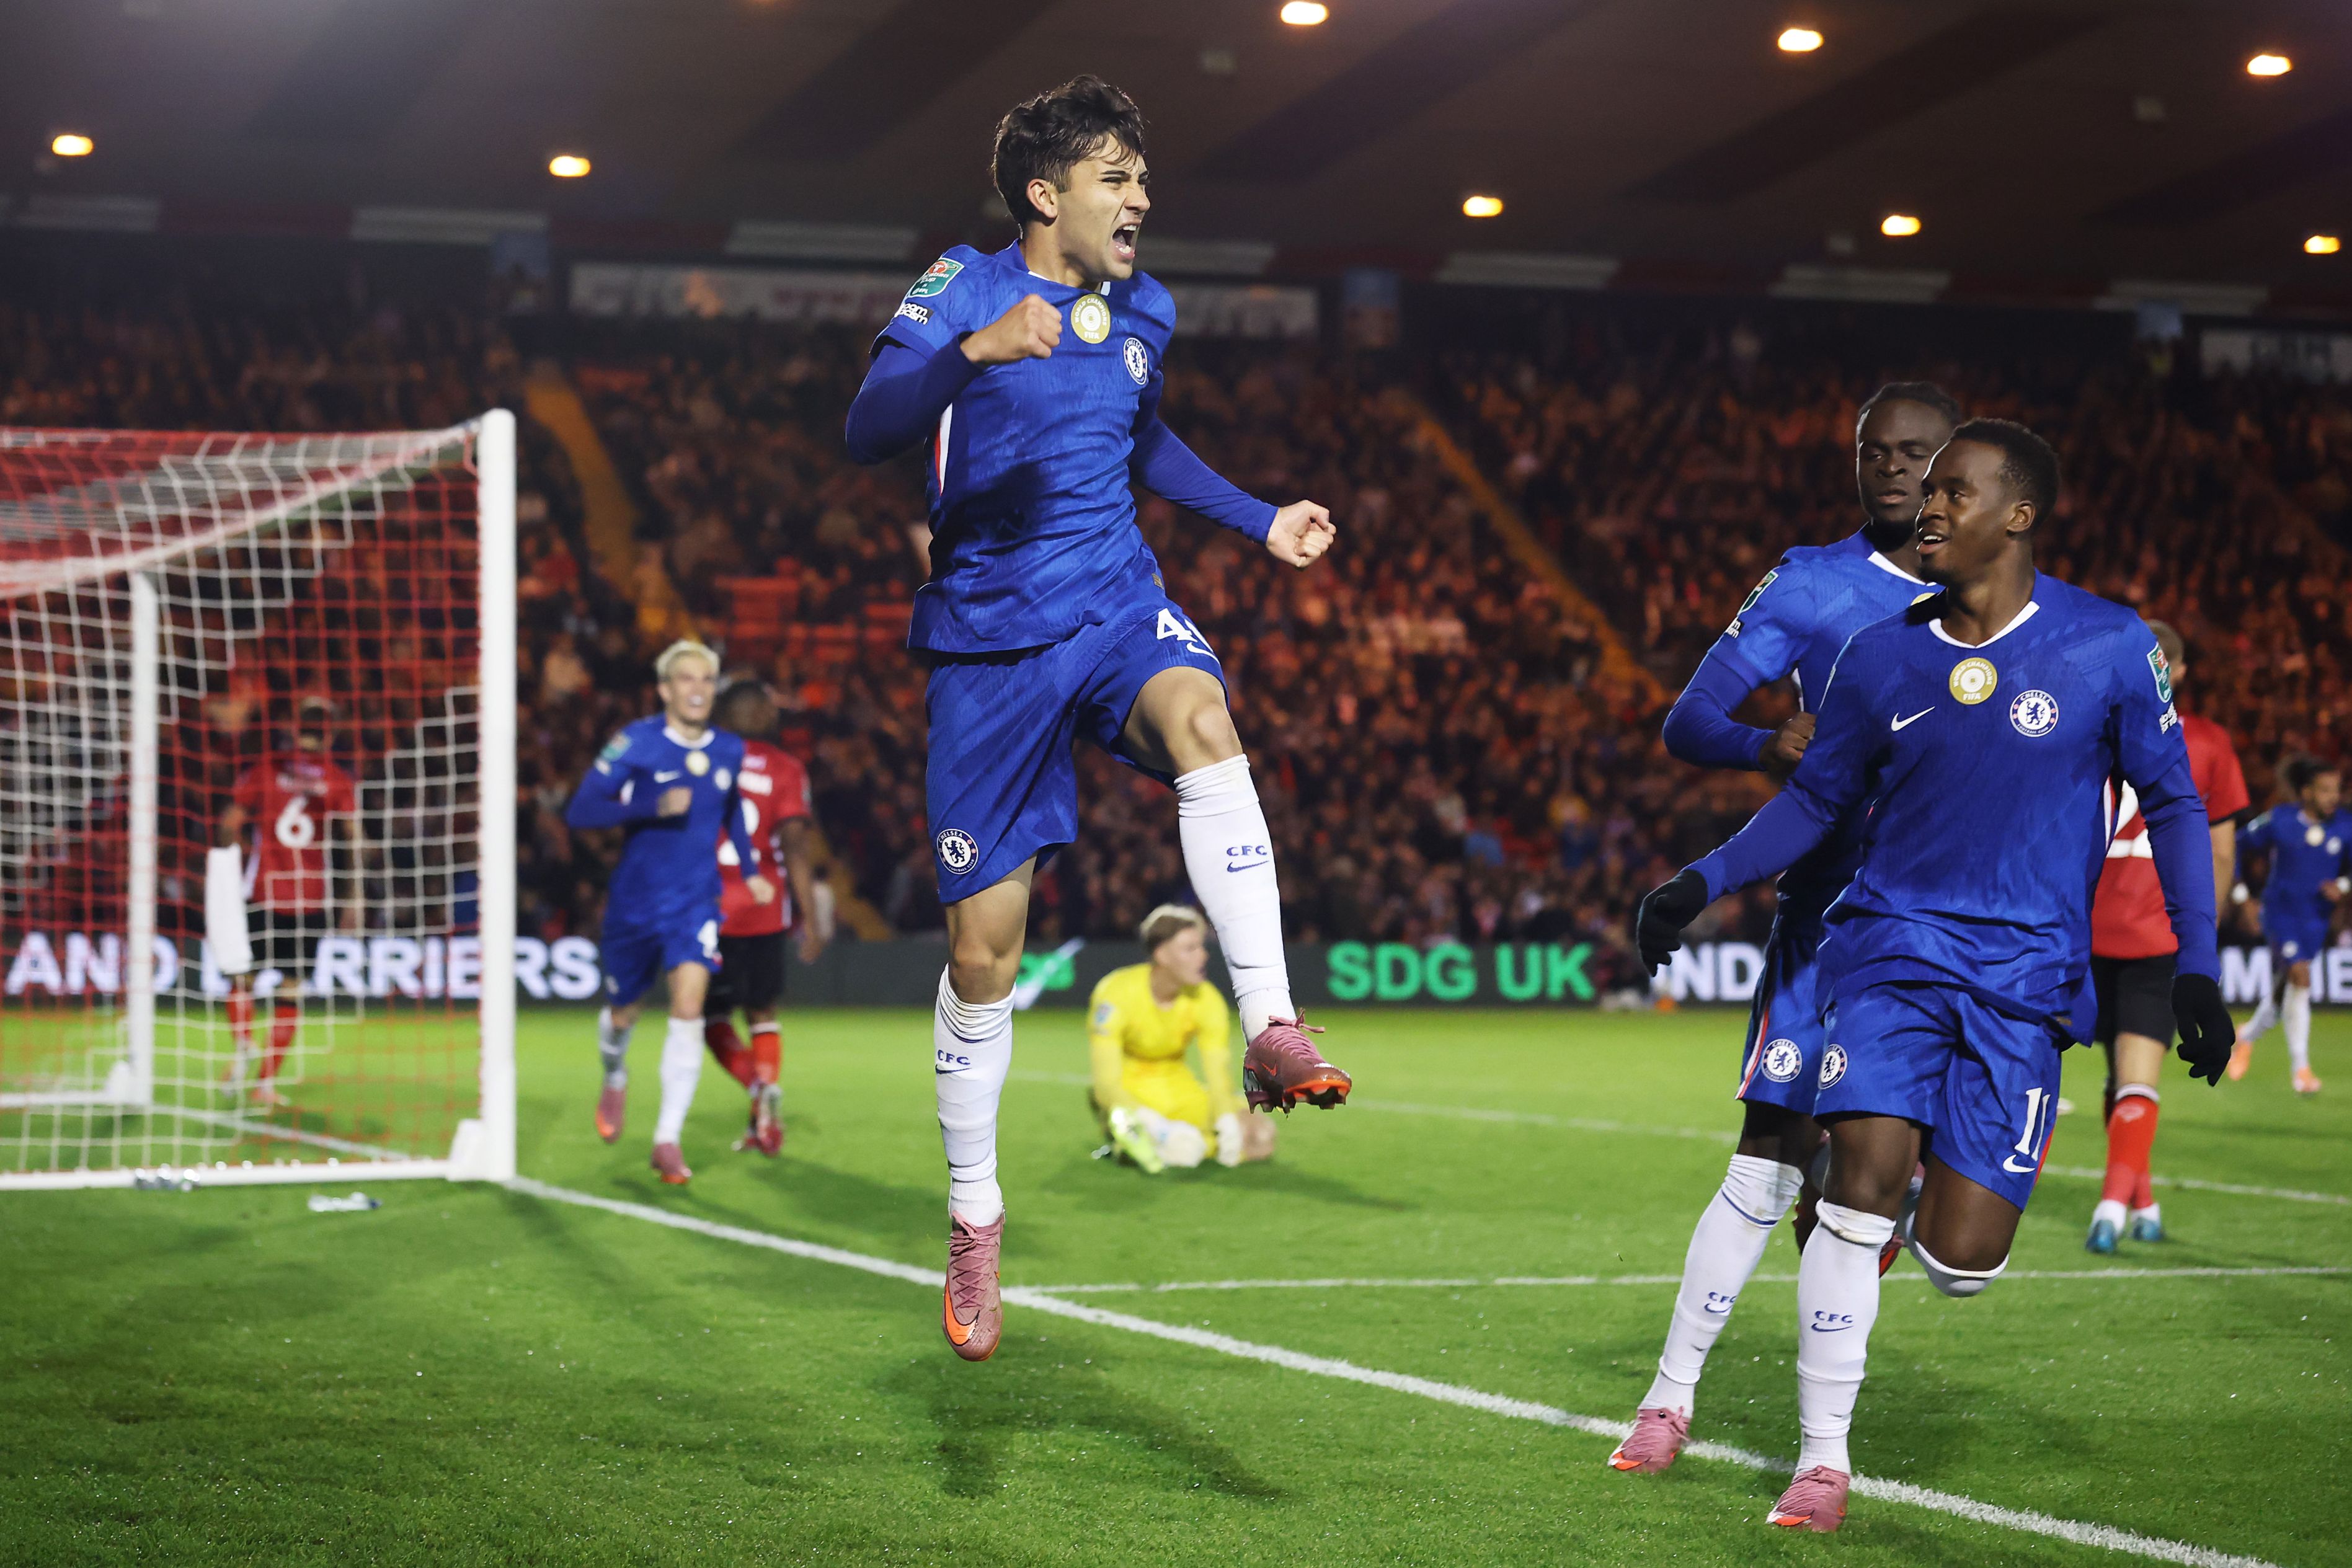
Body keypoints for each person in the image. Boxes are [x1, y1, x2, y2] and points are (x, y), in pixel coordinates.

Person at [1634, 419, 2234, 1532]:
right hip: (1888, 955)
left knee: (1962, 1258)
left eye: (1955, 492)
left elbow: (2176, 801)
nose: (1929, 507)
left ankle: (1915, 1199)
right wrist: (1700, 877)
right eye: (1929, 491)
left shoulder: (2106, 646)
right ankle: (1821, 1460)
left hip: (2024, 984)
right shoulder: (1881, 653)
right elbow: (1816, 800)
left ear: (2017, 514)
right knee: (1850, 1180)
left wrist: (2193, 969)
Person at [843, 76, 1349, 1362]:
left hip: (1117, 603)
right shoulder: (959, 286)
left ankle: (1275, 1023)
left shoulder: (1148, 307)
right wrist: (973, 353)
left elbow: (1145, 437)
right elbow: (865, 428)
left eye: (1141, 174)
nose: (1141, 197)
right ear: (1044, 193)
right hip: (986, 646)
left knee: (1206, 722)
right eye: (1117, 176)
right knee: (985, 959)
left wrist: (1260, 518)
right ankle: (974, 1213)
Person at [1611, 382, 1957, 1475]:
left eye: (1913, 453)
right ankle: (1668, 1400)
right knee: (1766, 1157)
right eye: (1873, 452)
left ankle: (1826, 1422)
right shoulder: (1812, 581)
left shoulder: (2006, 600)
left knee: (1886, 1191)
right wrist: (1766, 743)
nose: (1890, 469)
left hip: (1954, 927)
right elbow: (1688, 718)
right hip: (1828, 915)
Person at [564, 640, 768, 1185]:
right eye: (686, 679)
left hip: (695, 901)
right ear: (664, 689)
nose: (698, 688)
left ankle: (667, 1139)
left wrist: (748, 869)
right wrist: (649, 806)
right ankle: (614, 1073)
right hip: (635, 902)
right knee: (623, 1013)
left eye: (707, 679)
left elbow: (732, 812)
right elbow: (581, 809)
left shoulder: (729, 748)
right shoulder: (636, 742)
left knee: (688, 1007)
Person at [2084, 621, 2247, 1251]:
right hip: (2158, 934)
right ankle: (2127, 1202)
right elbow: (2222, 854)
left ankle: (2123, 1203)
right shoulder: (2206, 742)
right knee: (2133, 1078)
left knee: (2117, 1075)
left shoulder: (2089, 735)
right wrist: (2202, 931)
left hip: (2087, 927)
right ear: (2174, 672)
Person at [702, 679, 826, 1156]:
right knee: (762, 1012)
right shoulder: (786, 769)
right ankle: (765, 1113)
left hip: (708, 908)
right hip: (764, 906)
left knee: (711, 1016)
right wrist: (810, 917)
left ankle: (755, 1089)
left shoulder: (699, 760)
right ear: (761, 717)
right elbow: (795, 845)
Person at [217, 696, 360, 1107]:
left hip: (262, 890)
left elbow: (229, 825)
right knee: (291, 990)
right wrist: (356, 896)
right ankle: (264, 1084)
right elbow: (355, 839)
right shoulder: (336, 779)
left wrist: (236, 856)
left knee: (242, 980)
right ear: (330, 734)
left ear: (295, 730)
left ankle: (243, 1043)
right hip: (311, 898)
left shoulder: (267, 769)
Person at [1088, 905, 1274, 1173]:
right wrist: (1150, 1121)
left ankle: (1164, 1143)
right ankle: (1126, 1138)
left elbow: (1217, 1071)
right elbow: (1105, 1084)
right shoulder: (1115, 993)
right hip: (1130, 1093)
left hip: (1180, 1089)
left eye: (1201, 946)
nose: (1203, 955)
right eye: (1191, 948)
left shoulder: (1207, 999)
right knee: (1186, 1150)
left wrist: (1225, 1119)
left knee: (1261, 1135)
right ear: (1162, 954)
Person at [2231, 757, 2348, 1094]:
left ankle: (2246, 1036)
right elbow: (2237, 844)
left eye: (2336, 790)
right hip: (2280, 914)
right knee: (2301, 976)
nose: (2333, 797)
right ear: (2307, 792)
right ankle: (2302, 1071)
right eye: (2325, 790)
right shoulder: (2280, 820)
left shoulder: (2344, 826)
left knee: (2285, 993)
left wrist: (2343, 887)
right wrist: (2243, 896)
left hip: (2316, 918)